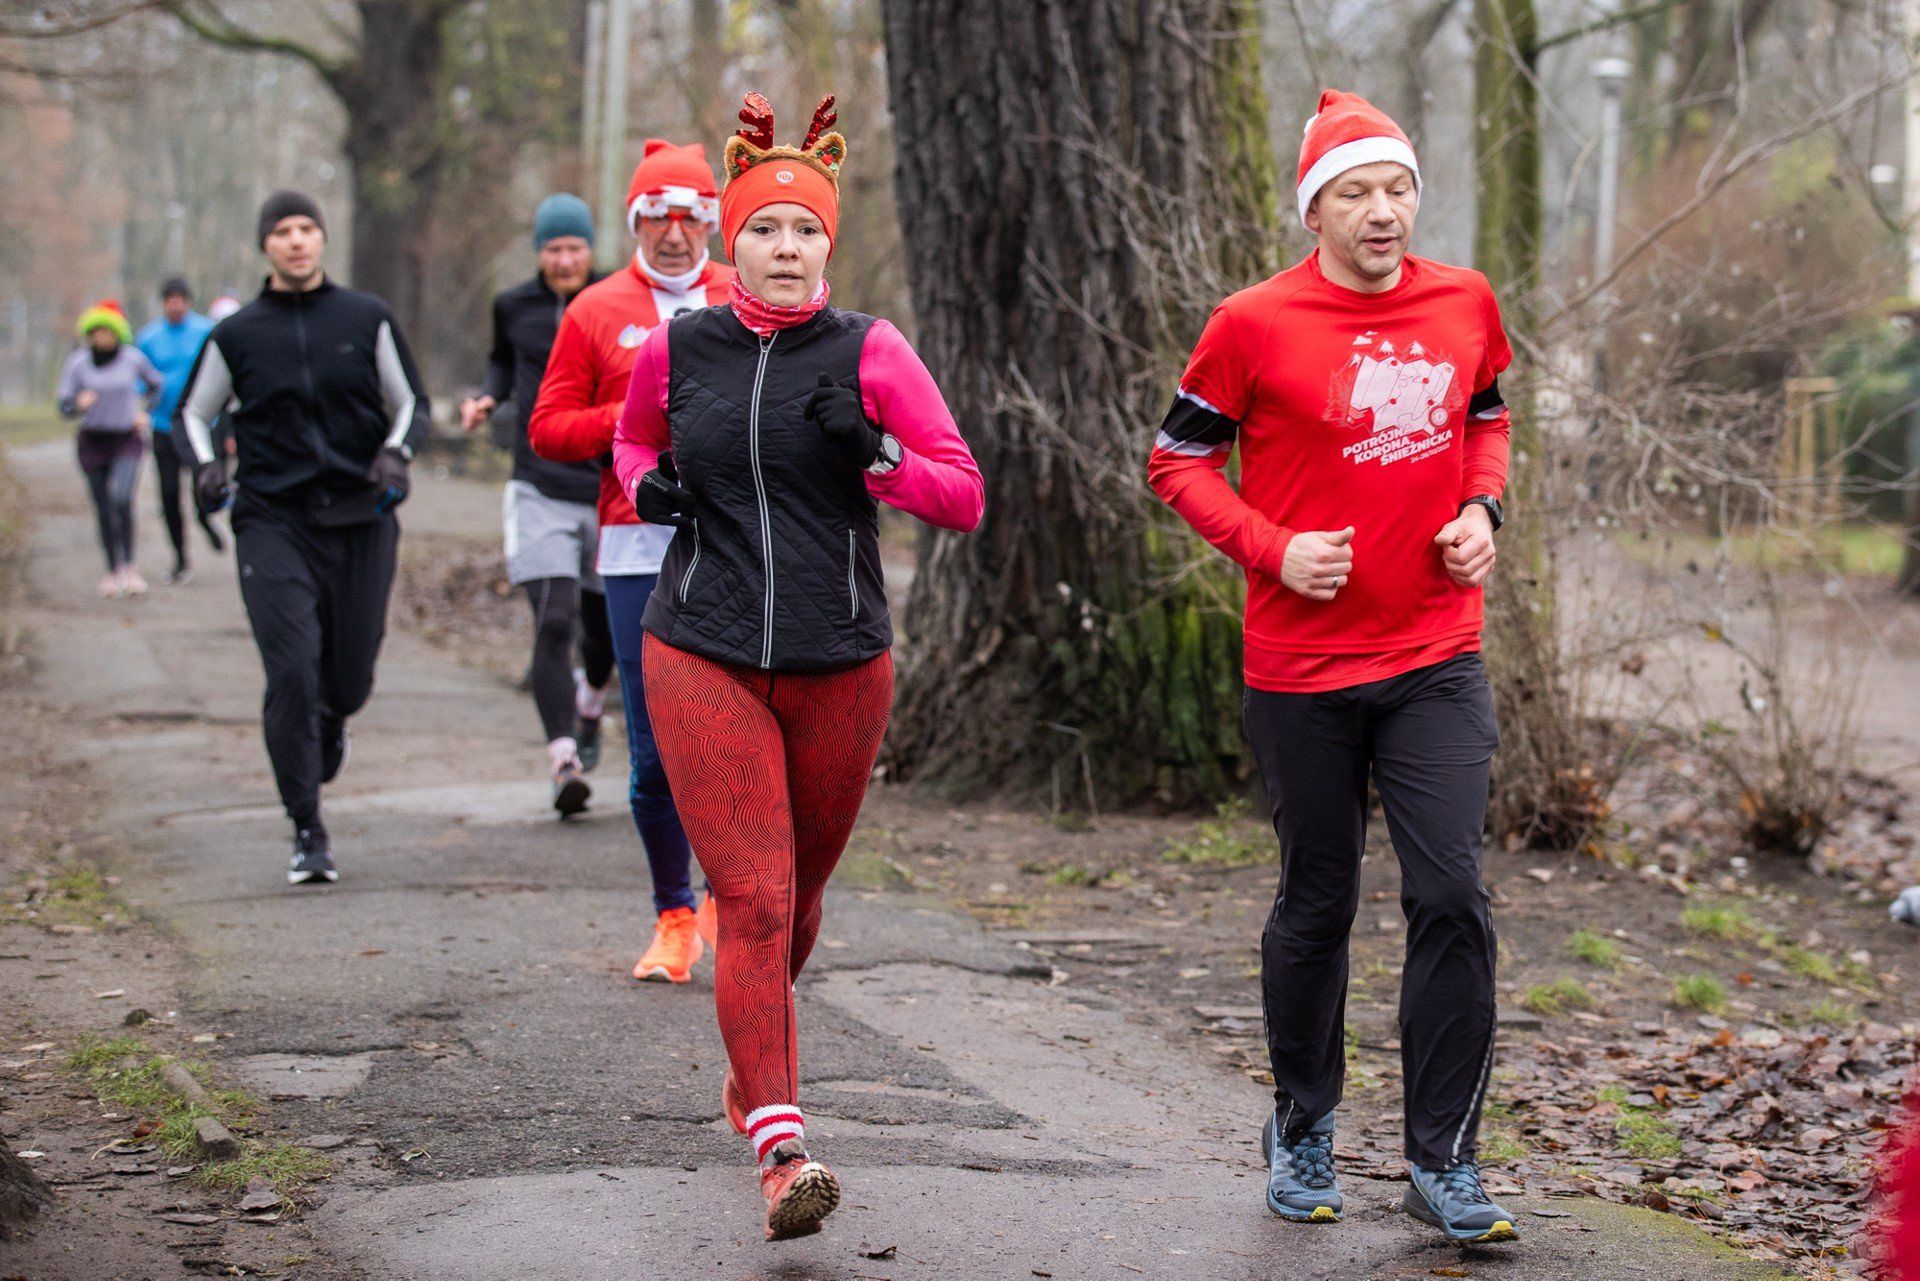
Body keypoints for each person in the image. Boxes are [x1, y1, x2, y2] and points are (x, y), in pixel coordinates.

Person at [611, 93, 984, 1241]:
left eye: (805, 231)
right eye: (765, 229)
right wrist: (650, 487)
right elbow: (633, 443)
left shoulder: (871, 350)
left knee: (800, 902)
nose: (785, 248)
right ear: (733, 239)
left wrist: (871, 452)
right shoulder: (680, 349)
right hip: (701, 647)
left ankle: (747, 1064)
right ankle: (782, 1147)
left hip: (839, 658)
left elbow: (960, 492)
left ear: (830, 242)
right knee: (756, 901)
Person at [1147, 90, 1517, 1244]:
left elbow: (1489, 415)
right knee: (1318, 901)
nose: (1382, 211)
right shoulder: (1252, 323)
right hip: (1301, 666)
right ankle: (1303, 1122)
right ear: (1315, 210)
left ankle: (1442, 1159)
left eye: (1398, 188)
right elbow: (1176, 459)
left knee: (1450, 889)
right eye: (1355, 192)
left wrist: (1483, 506)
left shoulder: (1466, 303)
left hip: (1434, 653)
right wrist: (1271, 545)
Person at [175, 191, 429, 886]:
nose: (296, 241)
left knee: (347, 679)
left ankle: (332, 715)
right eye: (282, 231)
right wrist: (205, 467)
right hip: (273, 519)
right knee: (290, 669)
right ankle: (307, 827)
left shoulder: (365, 317)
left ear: (322, 239)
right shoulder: (238, 335)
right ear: (266, 246)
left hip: (361, 516)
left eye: (307, 228)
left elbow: (411, 402)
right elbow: (192, 415)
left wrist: (397, 454)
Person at [528, 142, 731, 982]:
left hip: (741, 544)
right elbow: (547, 427)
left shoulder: (748, 294)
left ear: (714, 222)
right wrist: (634, 409)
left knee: (731, 740)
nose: (675, 233)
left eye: (690, 216)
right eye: (657, 217)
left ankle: (736, 900)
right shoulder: (595, 309)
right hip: (635, 547)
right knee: (653, 751)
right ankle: (673, 916)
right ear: (634, 223)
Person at [460, 194, 615, 816]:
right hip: (539, 484)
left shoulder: (615, 301)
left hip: (609, 487)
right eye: (552, 249)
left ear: (590, 249)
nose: (564, 260)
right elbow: (502, 362)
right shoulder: (513, 306)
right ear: (538, 253)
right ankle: (563, 760)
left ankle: (590, 704)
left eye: (574, 247)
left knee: (602, 636)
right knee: (554, 619)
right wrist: (486, 399)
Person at [58, 300, 164, 598]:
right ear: (89, 334)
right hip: (92, 442)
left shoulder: (132, 359)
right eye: (97, 332)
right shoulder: (78, 363)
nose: (102, 338)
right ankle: (112, 570)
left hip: (126, 439)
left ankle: (129, 567)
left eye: (108, 331)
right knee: (103, 506)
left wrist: (146, 413)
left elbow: (156, 386)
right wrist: (77, 404)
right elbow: (63, 405)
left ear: (118, 333)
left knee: (121, 498)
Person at [135, 276, 220, 584]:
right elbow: (137, 378)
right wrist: (140, 402)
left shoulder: (205, 332)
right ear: (163, 302)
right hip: (162, 425)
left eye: (179, 298)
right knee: (169, 494)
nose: (174, 304)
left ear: (188, 301)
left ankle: (205, 520)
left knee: (203, 486)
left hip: (198, 424)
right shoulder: (148, 337)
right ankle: (180, 557)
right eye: (169, 299)